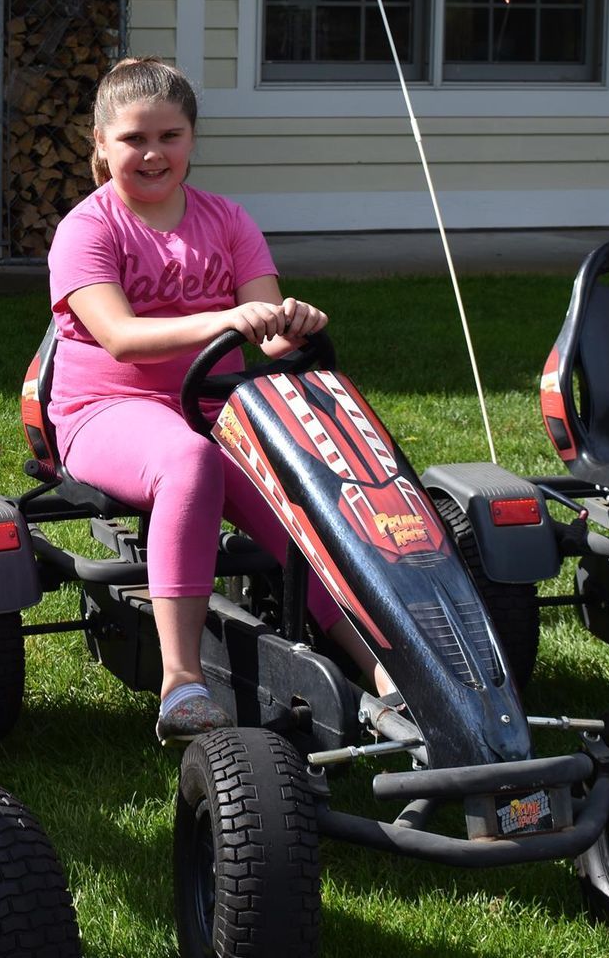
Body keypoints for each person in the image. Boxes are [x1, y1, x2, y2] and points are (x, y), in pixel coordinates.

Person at [46, 58, 391, 744]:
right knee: (189, 462)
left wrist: (291, 321)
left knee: (313, 492)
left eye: (169, 136)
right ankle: (182, 682)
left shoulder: (228, 221)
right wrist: (225, 321)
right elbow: (120, 337)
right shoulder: (89, 229)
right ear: (99, 143)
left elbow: (265, 334)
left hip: (217, 409)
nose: (152, 153)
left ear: (193, 140)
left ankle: (383, 668)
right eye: (133, 139)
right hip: (105, 412)